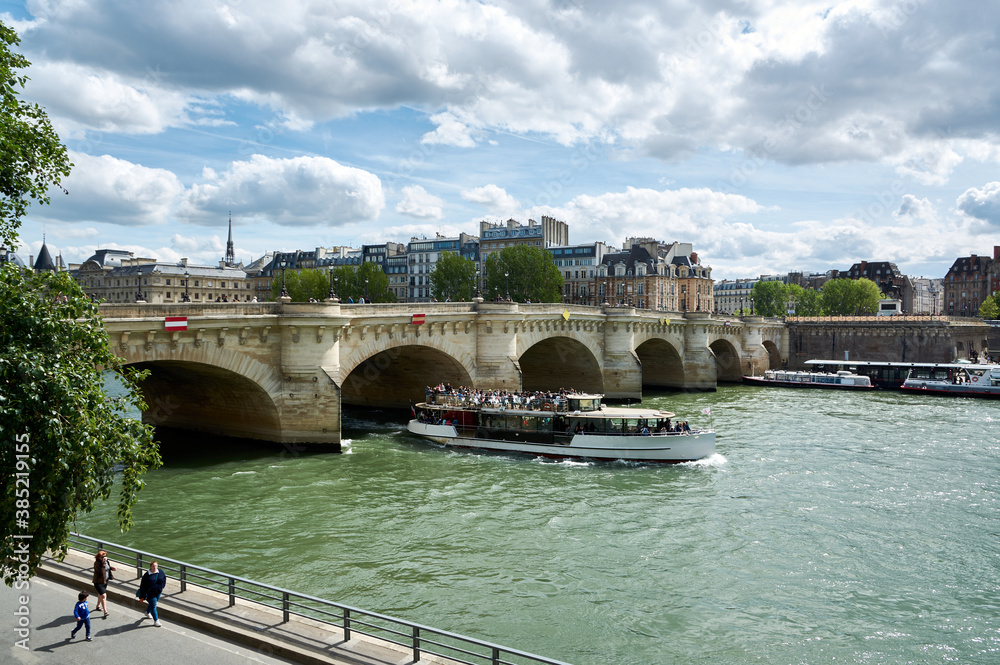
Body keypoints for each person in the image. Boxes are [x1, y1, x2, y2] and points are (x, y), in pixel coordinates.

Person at [137, 561, 167, 627]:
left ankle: (147, 612)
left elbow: (164, 578)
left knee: (153, 604)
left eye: (156, 566)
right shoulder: (147, 575)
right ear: (150, 566)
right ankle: (156, 621)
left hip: (158, 592)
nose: (154, 567)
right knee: (153, 606)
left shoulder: (160, 572)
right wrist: (144, 595)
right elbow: (142, 586)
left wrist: (163, 586)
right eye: (153, 566)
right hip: (150, 594)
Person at [92, 551, 115, 617]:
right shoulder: (97, 563)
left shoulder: (106, 562)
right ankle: (105, 611)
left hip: (105, 581)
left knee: (100, 594)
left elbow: (107, 568)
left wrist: (111, 568)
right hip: (98, 582)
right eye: (102, 557)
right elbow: (100, 572)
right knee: (103, 595)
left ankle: (97, 606)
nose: (104, 558)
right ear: (99, 557)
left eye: (105, 556)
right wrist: (104, 562)